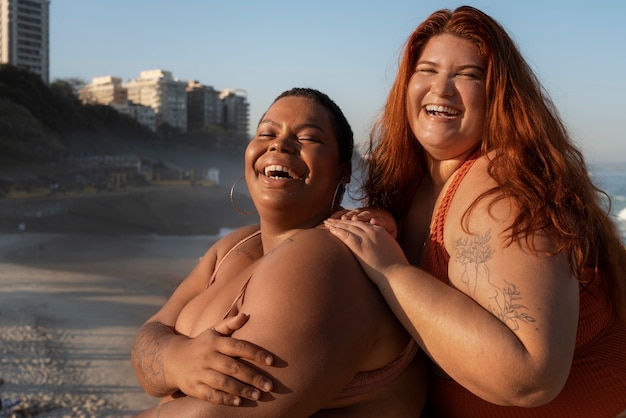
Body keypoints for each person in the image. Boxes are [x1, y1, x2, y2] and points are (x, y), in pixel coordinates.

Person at [324, 6, 626, 418]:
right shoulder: (408, 186)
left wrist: (390, 271)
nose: (441, 89)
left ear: (500, 95)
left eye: (467, 75)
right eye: (426, 70)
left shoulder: (502, 185)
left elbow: (529, 375)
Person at [131, 87, 427, 417]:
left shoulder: (327, 258)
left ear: (344, 172)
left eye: (309, 138)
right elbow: (148, 336)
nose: (279, 144)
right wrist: (176, 360)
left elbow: (214, 415)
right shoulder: (234, 247)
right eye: (267, 132)